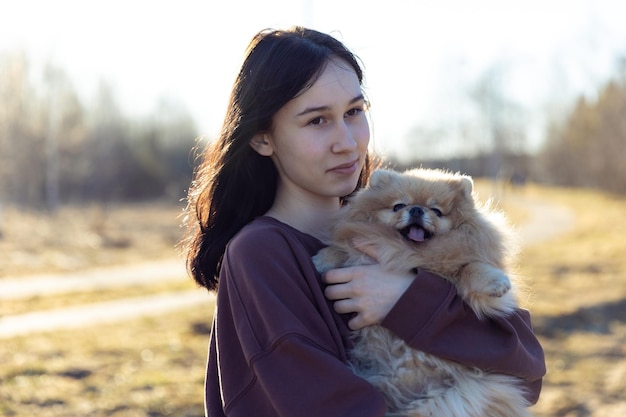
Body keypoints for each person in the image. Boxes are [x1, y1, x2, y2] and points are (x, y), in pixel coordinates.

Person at [183, 26, 545, 417]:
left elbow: (525, 370)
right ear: (261, 138)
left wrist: (407, 300)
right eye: (317, 121)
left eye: (354, 112)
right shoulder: (262, 253)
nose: (347, 141)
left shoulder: (402, 235)